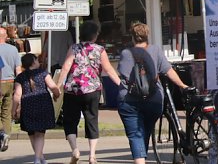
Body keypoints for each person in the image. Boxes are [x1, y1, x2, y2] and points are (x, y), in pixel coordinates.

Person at [117, 22, 189, 164]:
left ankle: (139, 161)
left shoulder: (126, 53)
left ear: (132, 37)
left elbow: (124, 76)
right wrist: (182, 85)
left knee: (135, 134)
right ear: (147, 36)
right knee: (144, 132)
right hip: (153, 100)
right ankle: (140, 159)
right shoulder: (155, 51)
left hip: (129, 101)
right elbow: (169, 71)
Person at [57, 20, 121, 164]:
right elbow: (109, 69)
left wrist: (58, 85)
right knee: (91, 120)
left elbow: (66, 67)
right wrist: (120, 85)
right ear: (95, 35)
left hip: (72, 90)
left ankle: (75, 150)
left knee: (70, 120)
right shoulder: (100, 50)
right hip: (92, 90)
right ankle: (92, 156)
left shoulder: (74, 48)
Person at [12, 53, 61, 164]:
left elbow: (17, 95)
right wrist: (57, 95)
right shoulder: (43, 73)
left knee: (32, 133)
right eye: (37, 60)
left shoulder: (20, 77)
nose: (39, 62)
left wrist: (13, 110)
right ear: (34, 62)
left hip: (27, 105)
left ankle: (40, 158)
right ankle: (37, 159)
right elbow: (53, 87)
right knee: (40, 133)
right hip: (43, 104)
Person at [0, 25, 22, 152]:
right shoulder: (13, 49)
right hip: (11, 82)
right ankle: (7, 135)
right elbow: (18, 69)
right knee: (6, 112)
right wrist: (19, 85)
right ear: (6, 37)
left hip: (0, 82)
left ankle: (2, 133)